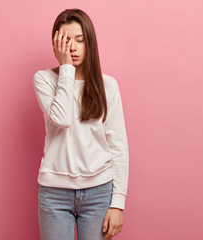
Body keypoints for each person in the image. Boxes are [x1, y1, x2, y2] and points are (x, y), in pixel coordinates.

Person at [32, 8, 129, 240]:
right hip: (54, 193)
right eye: (65, 41)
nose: (72, 47)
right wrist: (66, 68)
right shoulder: (44, 79)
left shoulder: (108, 86)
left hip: (99, 191)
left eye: (79, 40)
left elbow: (118, 145)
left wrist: (118, 203)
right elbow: (62, 119)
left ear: (90, 43)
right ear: (55, 44)